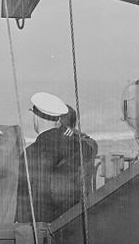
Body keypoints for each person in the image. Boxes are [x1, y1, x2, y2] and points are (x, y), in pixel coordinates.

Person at [15, 93, 98, 223]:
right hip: (73, 223)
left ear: (35, 118)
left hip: (41, 229)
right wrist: (73, 133)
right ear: (59, 120)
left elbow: (24, 203)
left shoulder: (30, 153)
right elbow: (91, 145)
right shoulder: (82, 146)